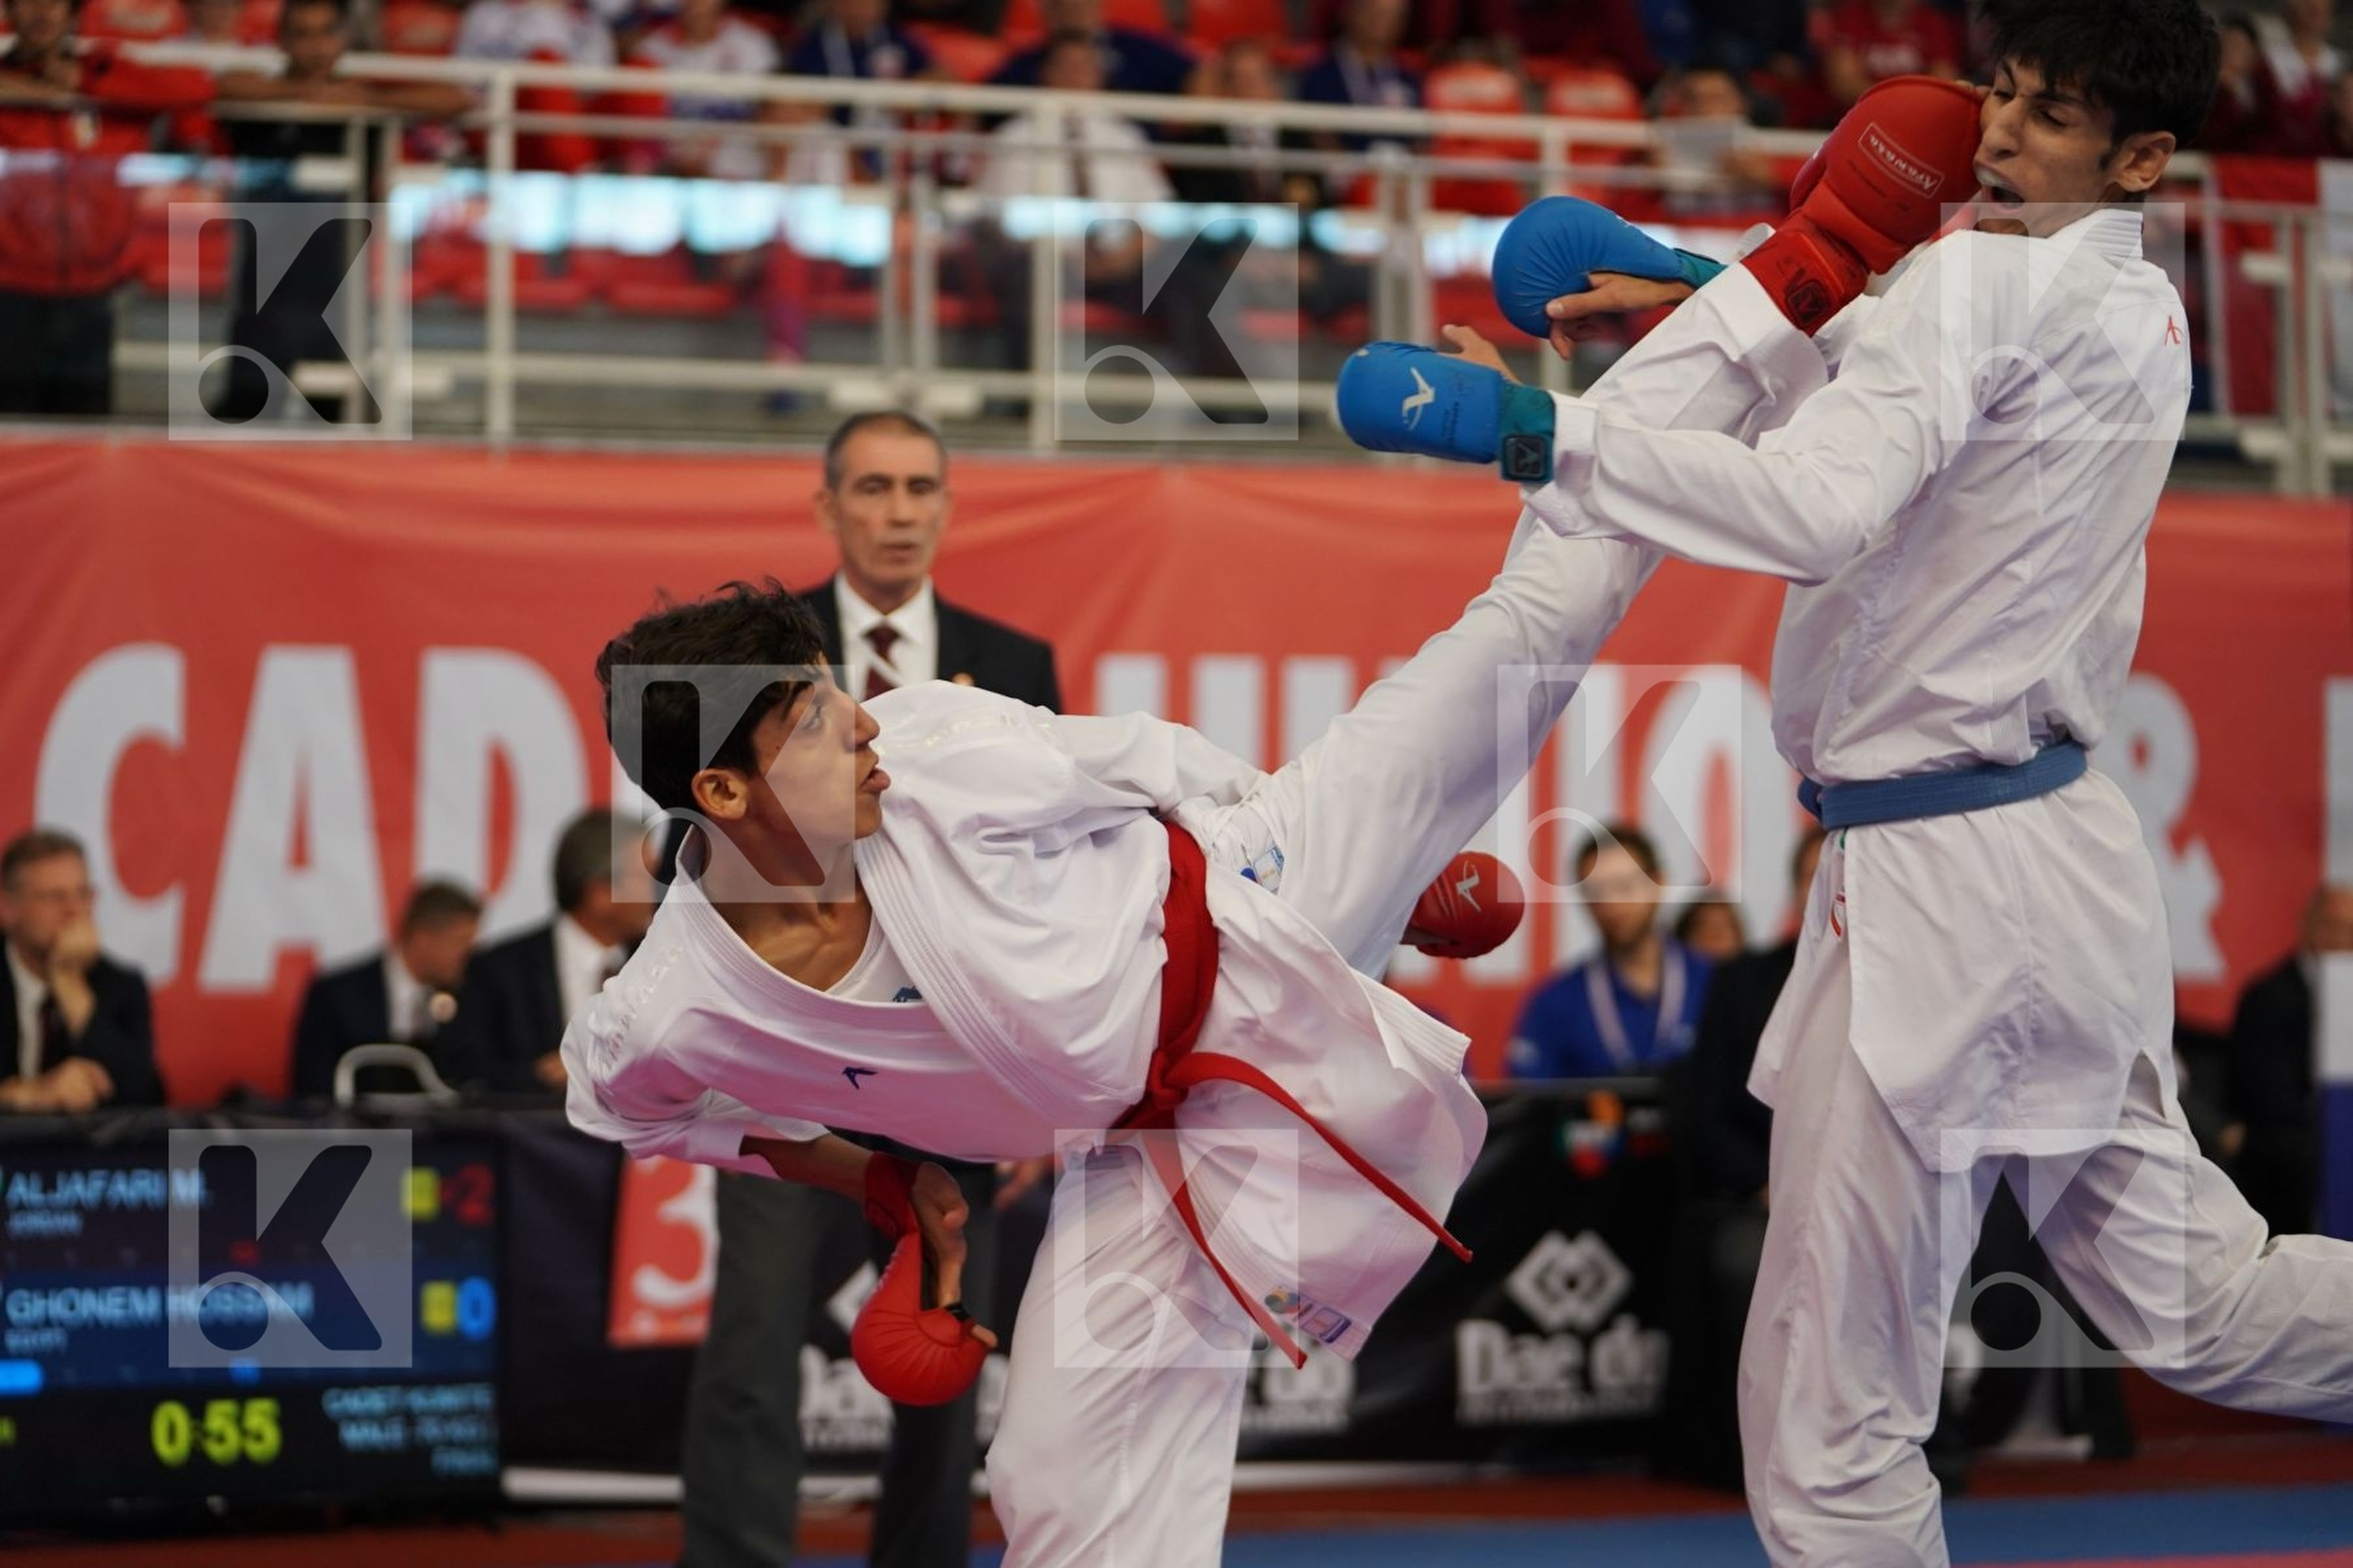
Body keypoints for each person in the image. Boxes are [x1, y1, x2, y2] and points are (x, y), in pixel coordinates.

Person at [561, 270, 1850, 1556]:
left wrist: (1370, 876)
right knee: (1056, 1476)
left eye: (833, 692)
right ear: (721, 791)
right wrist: (879, 1176)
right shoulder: (671, 1006)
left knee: (1532, 628)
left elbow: (1152, 761)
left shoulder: (928, 736)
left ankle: (1786, 283)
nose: (860, 724)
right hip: (1145, 1144)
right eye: (809, 725)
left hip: (1257, 887)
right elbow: (635, 1112)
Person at [1343, 6, 2353, 1560]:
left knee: (1828, 1417)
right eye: (2004, 94)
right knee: (2199, 1298)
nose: (2001, 134)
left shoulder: (1976, 284)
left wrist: (1550, 431)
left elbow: (1820, 508)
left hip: (1942, 889)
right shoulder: (2149, 310)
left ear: (2144, 155)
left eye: (2052, 115)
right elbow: (1919, 397)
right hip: (2059, 861)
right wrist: (1705, 288)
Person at [679, 411, 1059, 1568]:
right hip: (784, 1066)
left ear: (947, 505)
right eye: (875, 488)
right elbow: (695, 846)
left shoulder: (1018, 663)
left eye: (921, 488)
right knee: (750, 1352)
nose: (900, 511)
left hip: (953, 1076)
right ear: (827, 506)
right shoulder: (753, 661)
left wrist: (1038, 1080)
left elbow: (1041, 885)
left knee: (942, 1365)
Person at [0, 0, 211, 415]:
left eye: (55, 3)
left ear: (73, 13)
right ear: (9, 9)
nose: (41, 13)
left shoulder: (106, 71)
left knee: (83, 439)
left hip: (94, 293)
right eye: (28, 1)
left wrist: (87, 83)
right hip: (11, 292)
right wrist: (30, 89)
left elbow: (197, 86)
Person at [441, 808, 652, 1096]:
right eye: (647, 876)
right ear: (600, 894)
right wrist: (541, 1076)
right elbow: (462, 1072)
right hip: (536, 1137)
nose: (659, 890)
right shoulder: (499, 971)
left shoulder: (664, 964)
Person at [1507, 824, 1716, 1080]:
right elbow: (1530, 1103)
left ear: (1658, 882)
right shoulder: (1555, 1002)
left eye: (1625, 886)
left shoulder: (1714, 983)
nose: (1612, 903)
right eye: (1596, 891)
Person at [0, 828, 163, 1112]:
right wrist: (23, 1094)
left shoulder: (121, 985)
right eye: (54, 897)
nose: (74, 910)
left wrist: (69, 983)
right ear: (8, 907)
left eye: (83, 894)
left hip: (75, 1155)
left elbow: (146, 1099)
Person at [2224, 882, 2353, 1236]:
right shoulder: (2267, 996)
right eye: (2333, 926)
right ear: (2309, 926)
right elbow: (2269, 1099)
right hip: (2287, 1143)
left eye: (2351, 931)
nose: (2342, 940)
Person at [288, 880, 483, 1100]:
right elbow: (313, 1091)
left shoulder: (469, 998)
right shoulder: (337, 996)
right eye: (460, 942)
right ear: (422, 938)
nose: (469, 954)